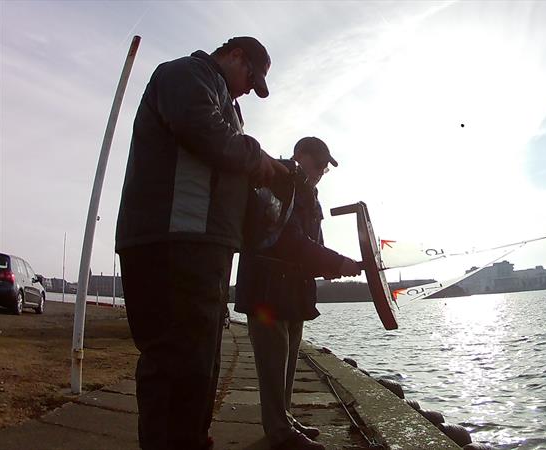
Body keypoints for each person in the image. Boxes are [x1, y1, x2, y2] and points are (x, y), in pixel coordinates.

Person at [115, 37, 288, 450]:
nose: (249, 88)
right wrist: (258, 158)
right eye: (251, 77)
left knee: (199, 363)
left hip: (200, 247)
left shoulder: (223, 98)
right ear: (234, 56)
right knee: (174, 362)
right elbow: (200, 127)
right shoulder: (187, 74)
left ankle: (192, 439)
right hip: (173, 244)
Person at [235, 137, 361, 450]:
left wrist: (330, 266)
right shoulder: (278, 180)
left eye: (325, 167)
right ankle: (278, 430)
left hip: (291, 291)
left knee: (288, 358)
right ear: (299, 155)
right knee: (273, 360)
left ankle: (285, 418)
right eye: (318, 162)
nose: (321, 170)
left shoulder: (308, 192)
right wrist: (335, 262)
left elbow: (308, 245)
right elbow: (286, 240)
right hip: (268, 289)